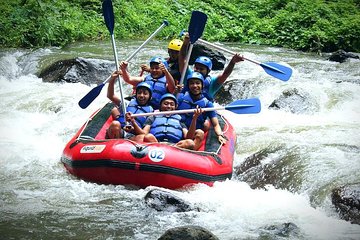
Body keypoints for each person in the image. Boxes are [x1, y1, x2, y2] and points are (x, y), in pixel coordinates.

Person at [179, 32, 244, 101]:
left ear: (208, 71)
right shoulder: (188, 75)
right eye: (196, 68)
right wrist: (186, 43)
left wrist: (233, 62)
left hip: (203, 109)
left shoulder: (212, 83)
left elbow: (225, 74)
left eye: (201, 69)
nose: (198, 71)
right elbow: (182, 59)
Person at [126, 93, 204, 150]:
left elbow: (188, 137)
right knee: (148, 137)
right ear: (160, 105)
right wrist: (133, 121)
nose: (169, 106)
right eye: (165, 104)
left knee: (190, 143)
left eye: (171, 104)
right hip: (156, 143)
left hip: (175, 146)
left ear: (175, 107)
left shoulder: (179, 119)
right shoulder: (152, 117)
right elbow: (144, 133)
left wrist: (194, 118)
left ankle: (176, 154)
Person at [177, 72, 227, 145]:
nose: (195, 86)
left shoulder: (207, 104)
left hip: (194, 133)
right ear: (188, 85)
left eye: (198, 83)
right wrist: (175, 91)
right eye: (192, 83)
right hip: (179, 129)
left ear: (202, 85)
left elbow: (215, 124)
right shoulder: (181, 97)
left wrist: (219, 135)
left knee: (200, 133)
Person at [106, 71, 153, 140]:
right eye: (139, 93)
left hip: (133, 136)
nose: (142, 96)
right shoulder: (127, 103)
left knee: (143, 137)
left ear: (150, 97)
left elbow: (144, 133)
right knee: (115, 124)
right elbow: (111, 96)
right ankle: (115, 144)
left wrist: (133, 123)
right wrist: (112, 79)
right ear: (136, 95)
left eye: (145, 93)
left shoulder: (151, 112)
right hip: (120, 131)